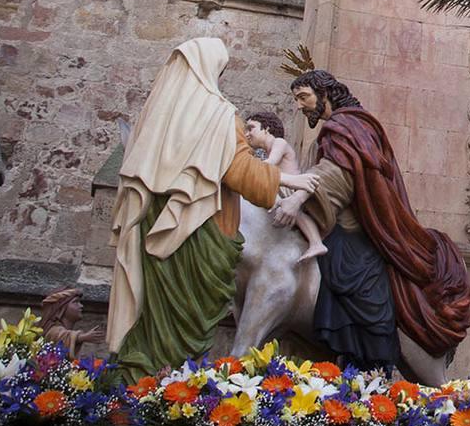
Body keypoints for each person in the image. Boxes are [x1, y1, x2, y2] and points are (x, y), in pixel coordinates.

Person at [106, 38, 317, 379]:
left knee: (153, 313)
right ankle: (166, 388)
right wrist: (294, 183)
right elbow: (239, 171)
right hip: (197, 235)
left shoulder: (158, 119)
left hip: (153, 236)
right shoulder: (216, 114)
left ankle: (138, 379)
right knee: (183, 316)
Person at [271, 70, 470, 376]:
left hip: (355, 237)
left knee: (352, 284)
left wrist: (297, 198)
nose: (300, 106)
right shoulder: (343, 127)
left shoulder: (347, 125)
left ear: (325, 92)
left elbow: (338, 173)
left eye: (303, 97)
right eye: (297, 99)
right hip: (343, 231)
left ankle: (368, 368)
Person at [244, 111, 327, 261]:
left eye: (251, 128)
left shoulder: (279, 143)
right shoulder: (267, 149)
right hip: (283, 188)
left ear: (267, 129)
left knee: (299, 214)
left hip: (291, 189)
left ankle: (316, 243)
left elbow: (270, 165)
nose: (247, 134)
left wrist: (248, 166)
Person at [41, 286, 101, 357]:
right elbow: (59, 336)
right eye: (76, 302)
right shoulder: (53, 330)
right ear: (62, 308)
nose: (81, 306)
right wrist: (82, 337)